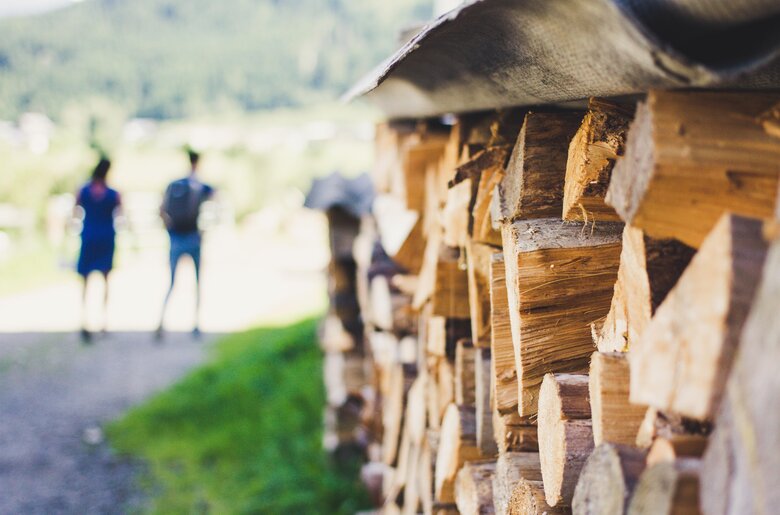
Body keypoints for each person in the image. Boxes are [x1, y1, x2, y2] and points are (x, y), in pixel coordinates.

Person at [157, 149, 214, 339]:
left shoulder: (174, 184)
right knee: (197, 281)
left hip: (175, 238)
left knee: (172, 281)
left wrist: (170, 231)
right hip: (193, 237)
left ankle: (162, 321)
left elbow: (161, 210)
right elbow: (216, 205)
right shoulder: (201, 185)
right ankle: (196, 324)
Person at [75, 156, 121, 343]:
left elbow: (74, 213)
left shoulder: (83, 191)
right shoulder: (114, 194)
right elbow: (122, 216)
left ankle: (84, 319)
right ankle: (103, 321)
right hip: (106, 237)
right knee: (105, 280)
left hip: (88, 236)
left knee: (85, 280)